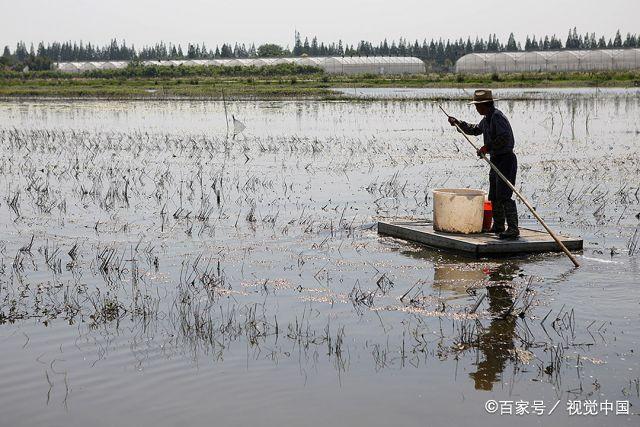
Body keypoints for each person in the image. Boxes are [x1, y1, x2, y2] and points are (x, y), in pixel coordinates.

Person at [447, 89, 519, 239]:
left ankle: (513, 229)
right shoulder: (487, 118)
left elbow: (504, 138)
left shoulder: (497, 117)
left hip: (506, 159)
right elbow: (475, 130)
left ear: (485, 105)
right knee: (494, 195)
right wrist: (458, 123)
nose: (476, 108)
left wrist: (487, 147)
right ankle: (498, 226)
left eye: (477, 106)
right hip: (495, 159)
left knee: (505, 195)